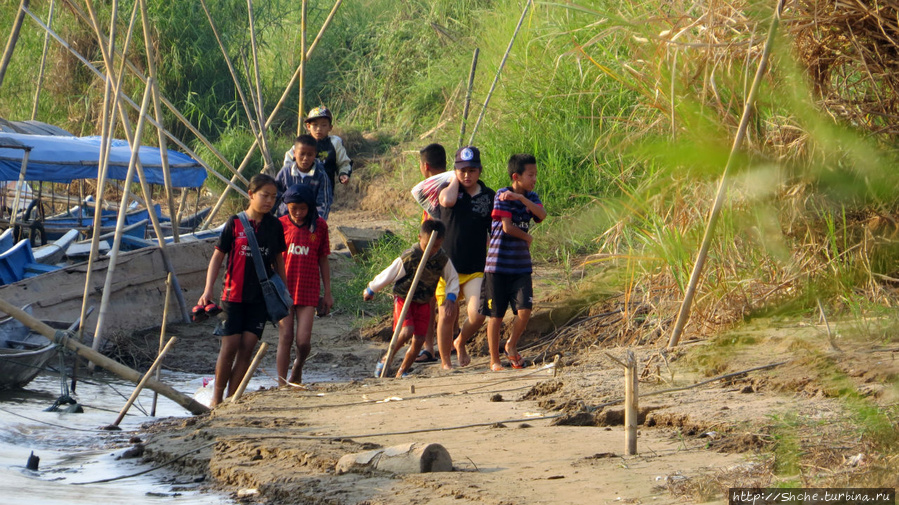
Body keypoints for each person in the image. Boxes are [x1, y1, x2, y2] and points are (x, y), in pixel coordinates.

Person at [198, 174, 287, 406]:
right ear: (250, 195)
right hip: (232, 296)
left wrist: (283, 293)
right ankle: (216, 400)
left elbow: (279, 261)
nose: (269, 201)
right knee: (229, 348)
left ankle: (232, 399)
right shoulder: (234, 223)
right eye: (264, 195)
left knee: (247, 348)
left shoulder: (276, 226)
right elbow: (218, 257)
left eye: (273, 197)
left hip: (260, 299)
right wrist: (208, 290)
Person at [363, 220, 459, 378]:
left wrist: (450, 296)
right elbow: (390, 273)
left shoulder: (441, 258)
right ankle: (387, 358)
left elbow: (452, 278)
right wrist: (372, 289)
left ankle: (402, 371)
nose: (432, 250)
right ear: (419, 237)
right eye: (429, 245)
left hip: (423, 302)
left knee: (419, 339)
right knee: (407, 331)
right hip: (404, 298)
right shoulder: (411, 256)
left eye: (436, 246)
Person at [480, 154, 547, 371]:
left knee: (525, 311)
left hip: (520, 266)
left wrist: (521, 199)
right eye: (530, 175)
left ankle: (511, 344)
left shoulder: (531, 196)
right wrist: (527, 237)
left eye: (535, 174)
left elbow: (541, 214)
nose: (534, 179)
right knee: (496, 316)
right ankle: (494, 360)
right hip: (498, 265)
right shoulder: (501, 194)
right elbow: (507, 227)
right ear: (516, 176)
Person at [434, 145, 495, 369]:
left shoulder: (488, 195)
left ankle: (460, 341)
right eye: (462, 171)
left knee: (478, 314)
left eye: (472, 170)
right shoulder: (448, 190)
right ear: (455, 171)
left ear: (479, 170)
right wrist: (454, 181)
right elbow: (446, 202)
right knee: (447, 316)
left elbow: (492, 230)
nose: (467, 175)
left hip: (475, 267)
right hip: (447, 267)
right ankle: (445, 362)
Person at [277, 184, 333, 386]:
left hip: (308, 289)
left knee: (303, 340)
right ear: (287, 207)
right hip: (284, 290)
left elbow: (323, 259)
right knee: (286, 336)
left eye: (303, 209)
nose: (299, 213)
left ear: (310, 206)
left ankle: (298, 366)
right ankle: (282, 384)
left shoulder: (320, 227)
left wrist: (327, 292)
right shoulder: (280, 225)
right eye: (294, 209)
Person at [414, 143, 447, 364]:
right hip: (451, 244)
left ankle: (429, 347)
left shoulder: (428, 186)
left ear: (425, 166)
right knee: (448, 294)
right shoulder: (454, 181)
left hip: (435, 246)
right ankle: (447, 340)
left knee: (427, 296)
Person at [282, 105, 352, 200]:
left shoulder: (335, 143)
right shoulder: (302, 143)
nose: (319, 129)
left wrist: (343, 173)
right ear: (308, 126)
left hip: (324, 189)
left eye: (323, 125)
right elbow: (288, 161)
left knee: (321, 212)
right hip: (301, 189)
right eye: (315, 125)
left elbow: (343, 162)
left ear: (330, 127)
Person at [275, 134, 332, 219]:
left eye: (309, 155)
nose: (305, 158)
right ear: (294, 153)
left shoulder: (321, 175)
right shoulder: (285, 172)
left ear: (315, 154)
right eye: (302, 154)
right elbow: (275, 195)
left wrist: (318, 222)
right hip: (285, 218)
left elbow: (324, 202)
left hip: (309, 220)